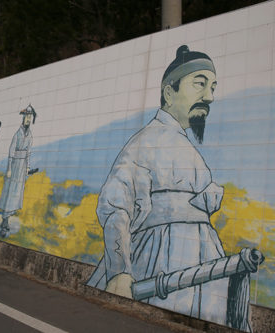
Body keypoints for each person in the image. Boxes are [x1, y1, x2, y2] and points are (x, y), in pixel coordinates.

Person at [86, 45, 250, 331]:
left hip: (203, 264)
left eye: (212, 87)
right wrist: (120, 271)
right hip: (157, 258)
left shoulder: (184, 145)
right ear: (168, 92)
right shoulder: (144, 142)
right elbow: (115, 205)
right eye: (200, 84)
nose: (209, 97)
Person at [0, 105, 35, 237]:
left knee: (16, 195)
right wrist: (9, 168)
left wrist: (28, 168)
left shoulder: (29, 135)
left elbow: (29, 152)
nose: (28, 120)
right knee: (10, 194)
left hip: (22, 167)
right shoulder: (17, 134)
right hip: (14, 167)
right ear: (23, 118)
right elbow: (11, 151)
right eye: (27, 117)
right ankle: (4, 221)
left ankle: (6, 221)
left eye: (30, 118)